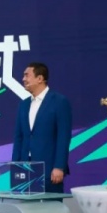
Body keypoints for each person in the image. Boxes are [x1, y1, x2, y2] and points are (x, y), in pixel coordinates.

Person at [12, 62, 72, 194]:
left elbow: (63, 137)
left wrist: (59, 166)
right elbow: (19, 137)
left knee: (51, 206)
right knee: (27, 206)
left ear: (40, 78)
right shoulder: (23, 105)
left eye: (27, 75)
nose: (23, 79)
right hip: (25, 169)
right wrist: (15, 165)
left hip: (49, 170)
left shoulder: (59, 101)